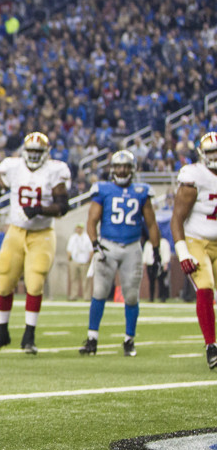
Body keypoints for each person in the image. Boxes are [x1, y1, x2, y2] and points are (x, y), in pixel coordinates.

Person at [0, 132, 72, 355]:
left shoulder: (54, 171)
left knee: (34, 282)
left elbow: (63, 205)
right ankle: (2, 332)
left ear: (46, 153)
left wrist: (40, 209)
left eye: (37, 152)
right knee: (3, 282)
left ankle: (29, 336)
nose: (33, 156)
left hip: (41, 233)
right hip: (16, 231)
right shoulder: (13, 168)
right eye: (30, 151)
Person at [78, 151, 160, 357]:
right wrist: (95, 244)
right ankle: (92, 339)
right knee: (99, 291)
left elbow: (151, 223)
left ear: (132, 169)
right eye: (118, 167)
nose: (122, 170)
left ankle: (129, 340)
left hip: (132, 247)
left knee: (132, 295)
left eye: (126, 167)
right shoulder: (103, 189)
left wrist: (157, 251)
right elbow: (91, 221)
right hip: (107, 245)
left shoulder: (142, 191)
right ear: (112, 169)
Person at [171, 132, 217, 369]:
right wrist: (183, 252)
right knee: (206, 287)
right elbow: (177, 218)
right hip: (197, 239)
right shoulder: (194, 176)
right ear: (202, 154)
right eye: (211, 152)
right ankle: (211, 346)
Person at [66, 223, 93, 300]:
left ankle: (87, 296)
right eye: (77, 228)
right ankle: (73, 295)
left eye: (80, 228)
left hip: (84, 261)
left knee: (86, 280)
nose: (78, 229)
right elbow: (69, 249)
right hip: (74, 260)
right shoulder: (73, 237)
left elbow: (91, 250)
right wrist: (69, 259)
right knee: (74, 279)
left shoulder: (87, 237)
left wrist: (89, 259)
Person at [145, 236, 171, 302]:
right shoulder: (148, 243)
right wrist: (144, 263)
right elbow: (146, 254)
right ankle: (151, 297)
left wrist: (166, 263)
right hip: (150, 264)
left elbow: (166, 253)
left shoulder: (164, 242)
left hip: (160, 264)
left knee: (161, 282)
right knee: (151, 282)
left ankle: (162, 297)